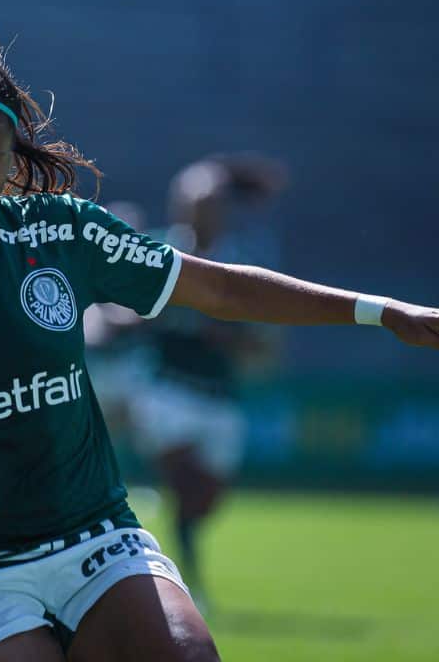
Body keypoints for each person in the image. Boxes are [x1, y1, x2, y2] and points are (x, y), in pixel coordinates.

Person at [0, 21, 439, 662]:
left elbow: (223, 291)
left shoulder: (57, 235)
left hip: (94, 542)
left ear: (12, 162)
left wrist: (380, 312)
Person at [113, 155, 287, 605]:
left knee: (205, 499)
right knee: (185, 480)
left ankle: (172, 541)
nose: (197, 210)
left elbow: (262, 340)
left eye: (208, 203)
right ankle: (179, 577)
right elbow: (113, 305)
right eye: (190, 201)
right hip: (164, 389)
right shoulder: (155, 250)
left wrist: (225, 335)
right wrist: (131, 319)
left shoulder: (240, 262)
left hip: (219, 398)